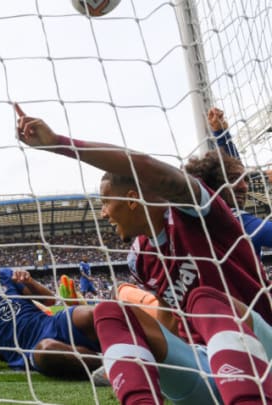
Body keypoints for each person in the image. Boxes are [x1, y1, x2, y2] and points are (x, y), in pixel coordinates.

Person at [15, 104, 272, 404]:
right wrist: (137, 356)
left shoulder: (197, 213)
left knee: (203, 301)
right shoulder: (139, 257)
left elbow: (144, 165)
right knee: (109, 313)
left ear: (132, 200)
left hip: (261, 354)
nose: (103, 213)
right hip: (205, 368)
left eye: (105, 202)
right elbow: (167, 318)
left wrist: (59, 143)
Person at [0, 246, 101, 379]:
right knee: (47, 350)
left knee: (89, 314)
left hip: (52, 323)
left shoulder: (5, 276)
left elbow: (49, 301)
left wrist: (29, 282)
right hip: (29, 349)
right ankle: (110, 363)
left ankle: (119, 347)